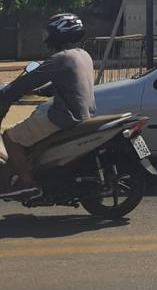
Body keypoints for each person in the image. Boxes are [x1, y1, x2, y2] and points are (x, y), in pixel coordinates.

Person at [0, 13, 96, 198]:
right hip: (84, 114)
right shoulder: (82, 55)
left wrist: (6, 93)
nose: (46, 38)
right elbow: (67, 83)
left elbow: (27, 81)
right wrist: (39, 92)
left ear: (59, 34)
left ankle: (27, 184)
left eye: (49, 33)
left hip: (63, 116)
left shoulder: (61, 58)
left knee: (10, 137)